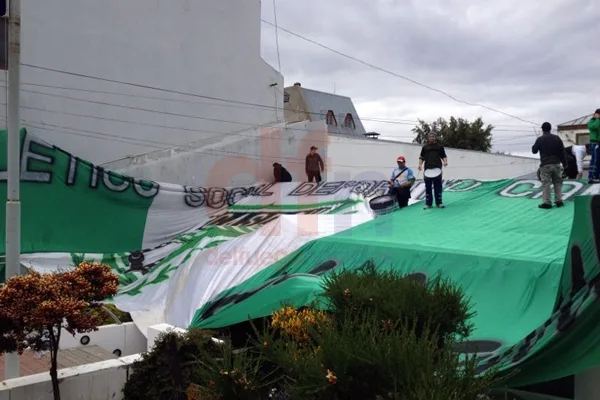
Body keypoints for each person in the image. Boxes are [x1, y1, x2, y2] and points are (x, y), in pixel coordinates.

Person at [532, 122, 566, 209]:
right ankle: (559, 201)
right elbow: (562, 151)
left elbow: (534, 151)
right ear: (550, 128)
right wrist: (565, 163)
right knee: (558, 182)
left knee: (546, 184)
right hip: (556, 164)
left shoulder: (540, 139)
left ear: (542, 129)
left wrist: (537, 143)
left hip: (545, 164)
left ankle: (547, 203)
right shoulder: (557, 138)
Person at [418, 134, 448, 209]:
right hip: (427, 170)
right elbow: (421, 157)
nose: (432, 138)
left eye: (433, 137)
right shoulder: (425, 147)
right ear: (428, 138)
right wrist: (420, 165)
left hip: (437, 169)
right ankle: (428, 204)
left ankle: (439, 203)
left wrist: (445, 162)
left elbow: (443, 155)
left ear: (435, 137)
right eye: (430, 137)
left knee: (438, 187)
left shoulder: (439, 147)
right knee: (428, 187)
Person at [588, 109, 600, 184]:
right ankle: (591, 177)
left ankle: (597, 176)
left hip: (599, 143)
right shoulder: (591, 122)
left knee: (598, 160)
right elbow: (594, 127)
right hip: (594, 143)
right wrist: (597, 119)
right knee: (595, 160)